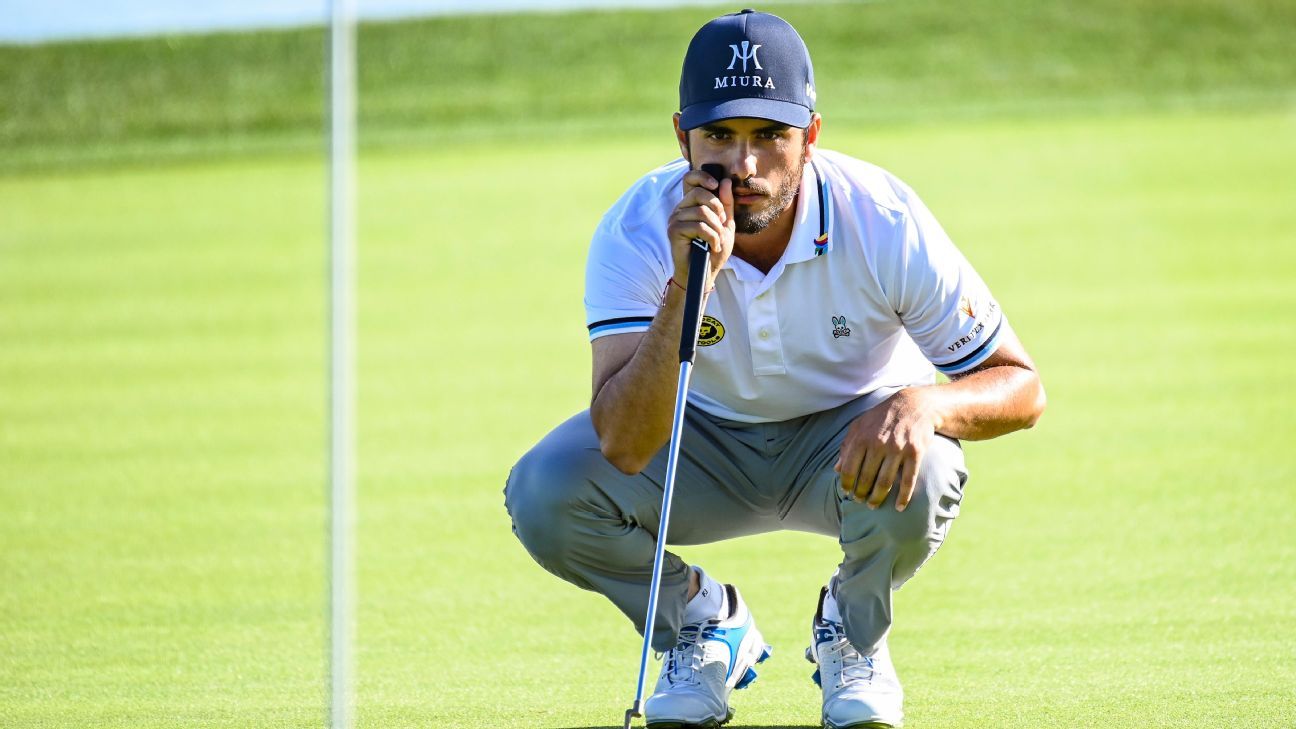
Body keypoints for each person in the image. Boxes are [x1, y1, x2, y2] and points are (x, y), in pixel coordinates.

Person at [505, 8, 1045, 728]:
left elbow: (1021, 385)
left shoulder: (883, 217)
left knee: (932, 463)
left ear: (811, 137)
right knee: (545, 492)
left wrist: (926, 405)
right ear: (682, 137)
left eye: (770, 137)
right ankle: (701, 625)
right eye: (720, 137)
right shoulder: (636, 228)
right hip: (700, 444)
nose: (746, 166)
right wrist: (686, 284)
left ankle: (852, 634)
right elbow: (627, 442)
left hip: (847, 446)